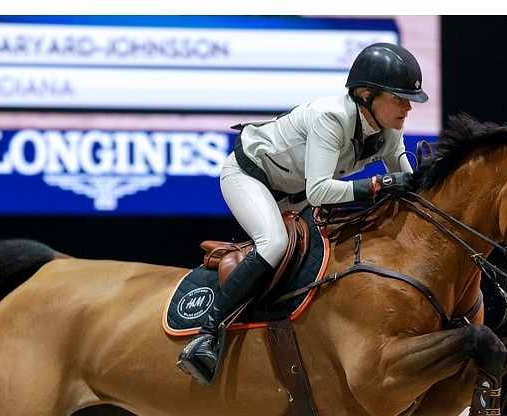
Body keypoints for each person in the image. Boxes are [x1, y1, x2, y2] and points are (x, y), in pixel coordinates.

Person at [177, 41, 428, 385]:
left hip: (295, 194)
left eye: (409, 100)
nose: (407, 108)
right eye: (399, 98)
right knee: (274, 244)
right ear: (367, 94)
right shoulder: (332, 118)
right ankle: (206, 335)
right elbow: (320, 191)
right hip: (251, 177)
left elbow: (405, 175)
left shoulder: (389, 125)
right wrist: (379, 184)